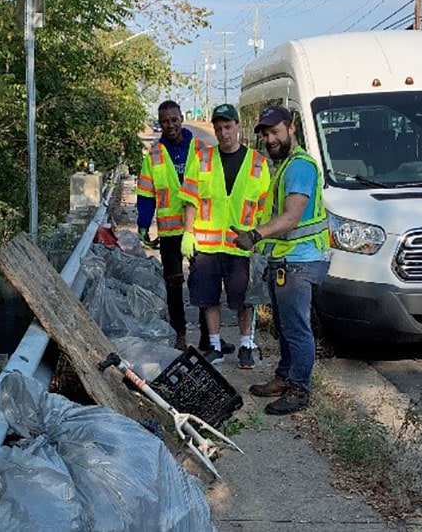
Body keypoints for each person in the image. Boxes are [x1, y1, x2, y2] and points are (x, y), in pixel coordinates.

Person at [233, 105, 331, 415]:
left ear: (292, 128)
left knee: (296, 328)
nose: (269, 139)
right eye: (265, 134)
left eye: (275, 132)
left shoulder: (300, 167)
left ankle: (299, 389)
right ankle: (285, 376)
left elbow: (291, 217)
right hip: (287, 260)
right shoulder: (286, 165)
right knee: (284, 325)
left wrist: (255, 235)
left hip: (300, 261)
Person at [137, 100, 234, 353]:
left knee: (203, 283)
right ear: (160, 124)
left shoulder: (201, 149)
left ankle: (207, 337)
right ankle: (179, 335)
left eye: (174, 119)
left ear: (182, 118)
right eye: (165, 121)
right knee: (173, 284)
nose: (170, 125)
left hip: (199, 228)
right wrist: (143, 225)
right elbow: (146, 193)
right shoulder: (155, 155)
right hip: (170, 231)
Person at [180, 104, 270, 370]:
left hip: (240, 245)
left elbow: (264, 207)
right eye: (218, 128)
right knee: (208, 298)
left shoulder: (257, 163)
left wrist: (260, 240)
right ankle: (216, 347)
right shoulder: (203, 158)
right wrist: (188, 233)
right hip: (207, 245)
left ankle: (246, 345)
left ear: (238, 126)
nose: (223, 133)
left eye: (228, 127)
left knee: (244, 300)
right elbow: (190, 199)